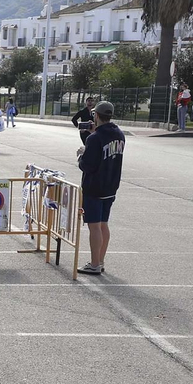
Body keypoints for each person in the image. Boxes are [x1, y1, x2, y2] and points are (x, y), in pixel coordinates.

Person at [77, 100, 125, 277]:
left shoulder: (95, 138)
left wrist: (82, 154)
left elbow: (88, 165)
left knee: (94, 226)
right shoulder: (119, 134)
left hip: (95, 186)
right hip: (111, 185)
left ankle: (95, 263)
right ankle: (101, 260)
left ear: (96, 115)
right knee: (104, 224)